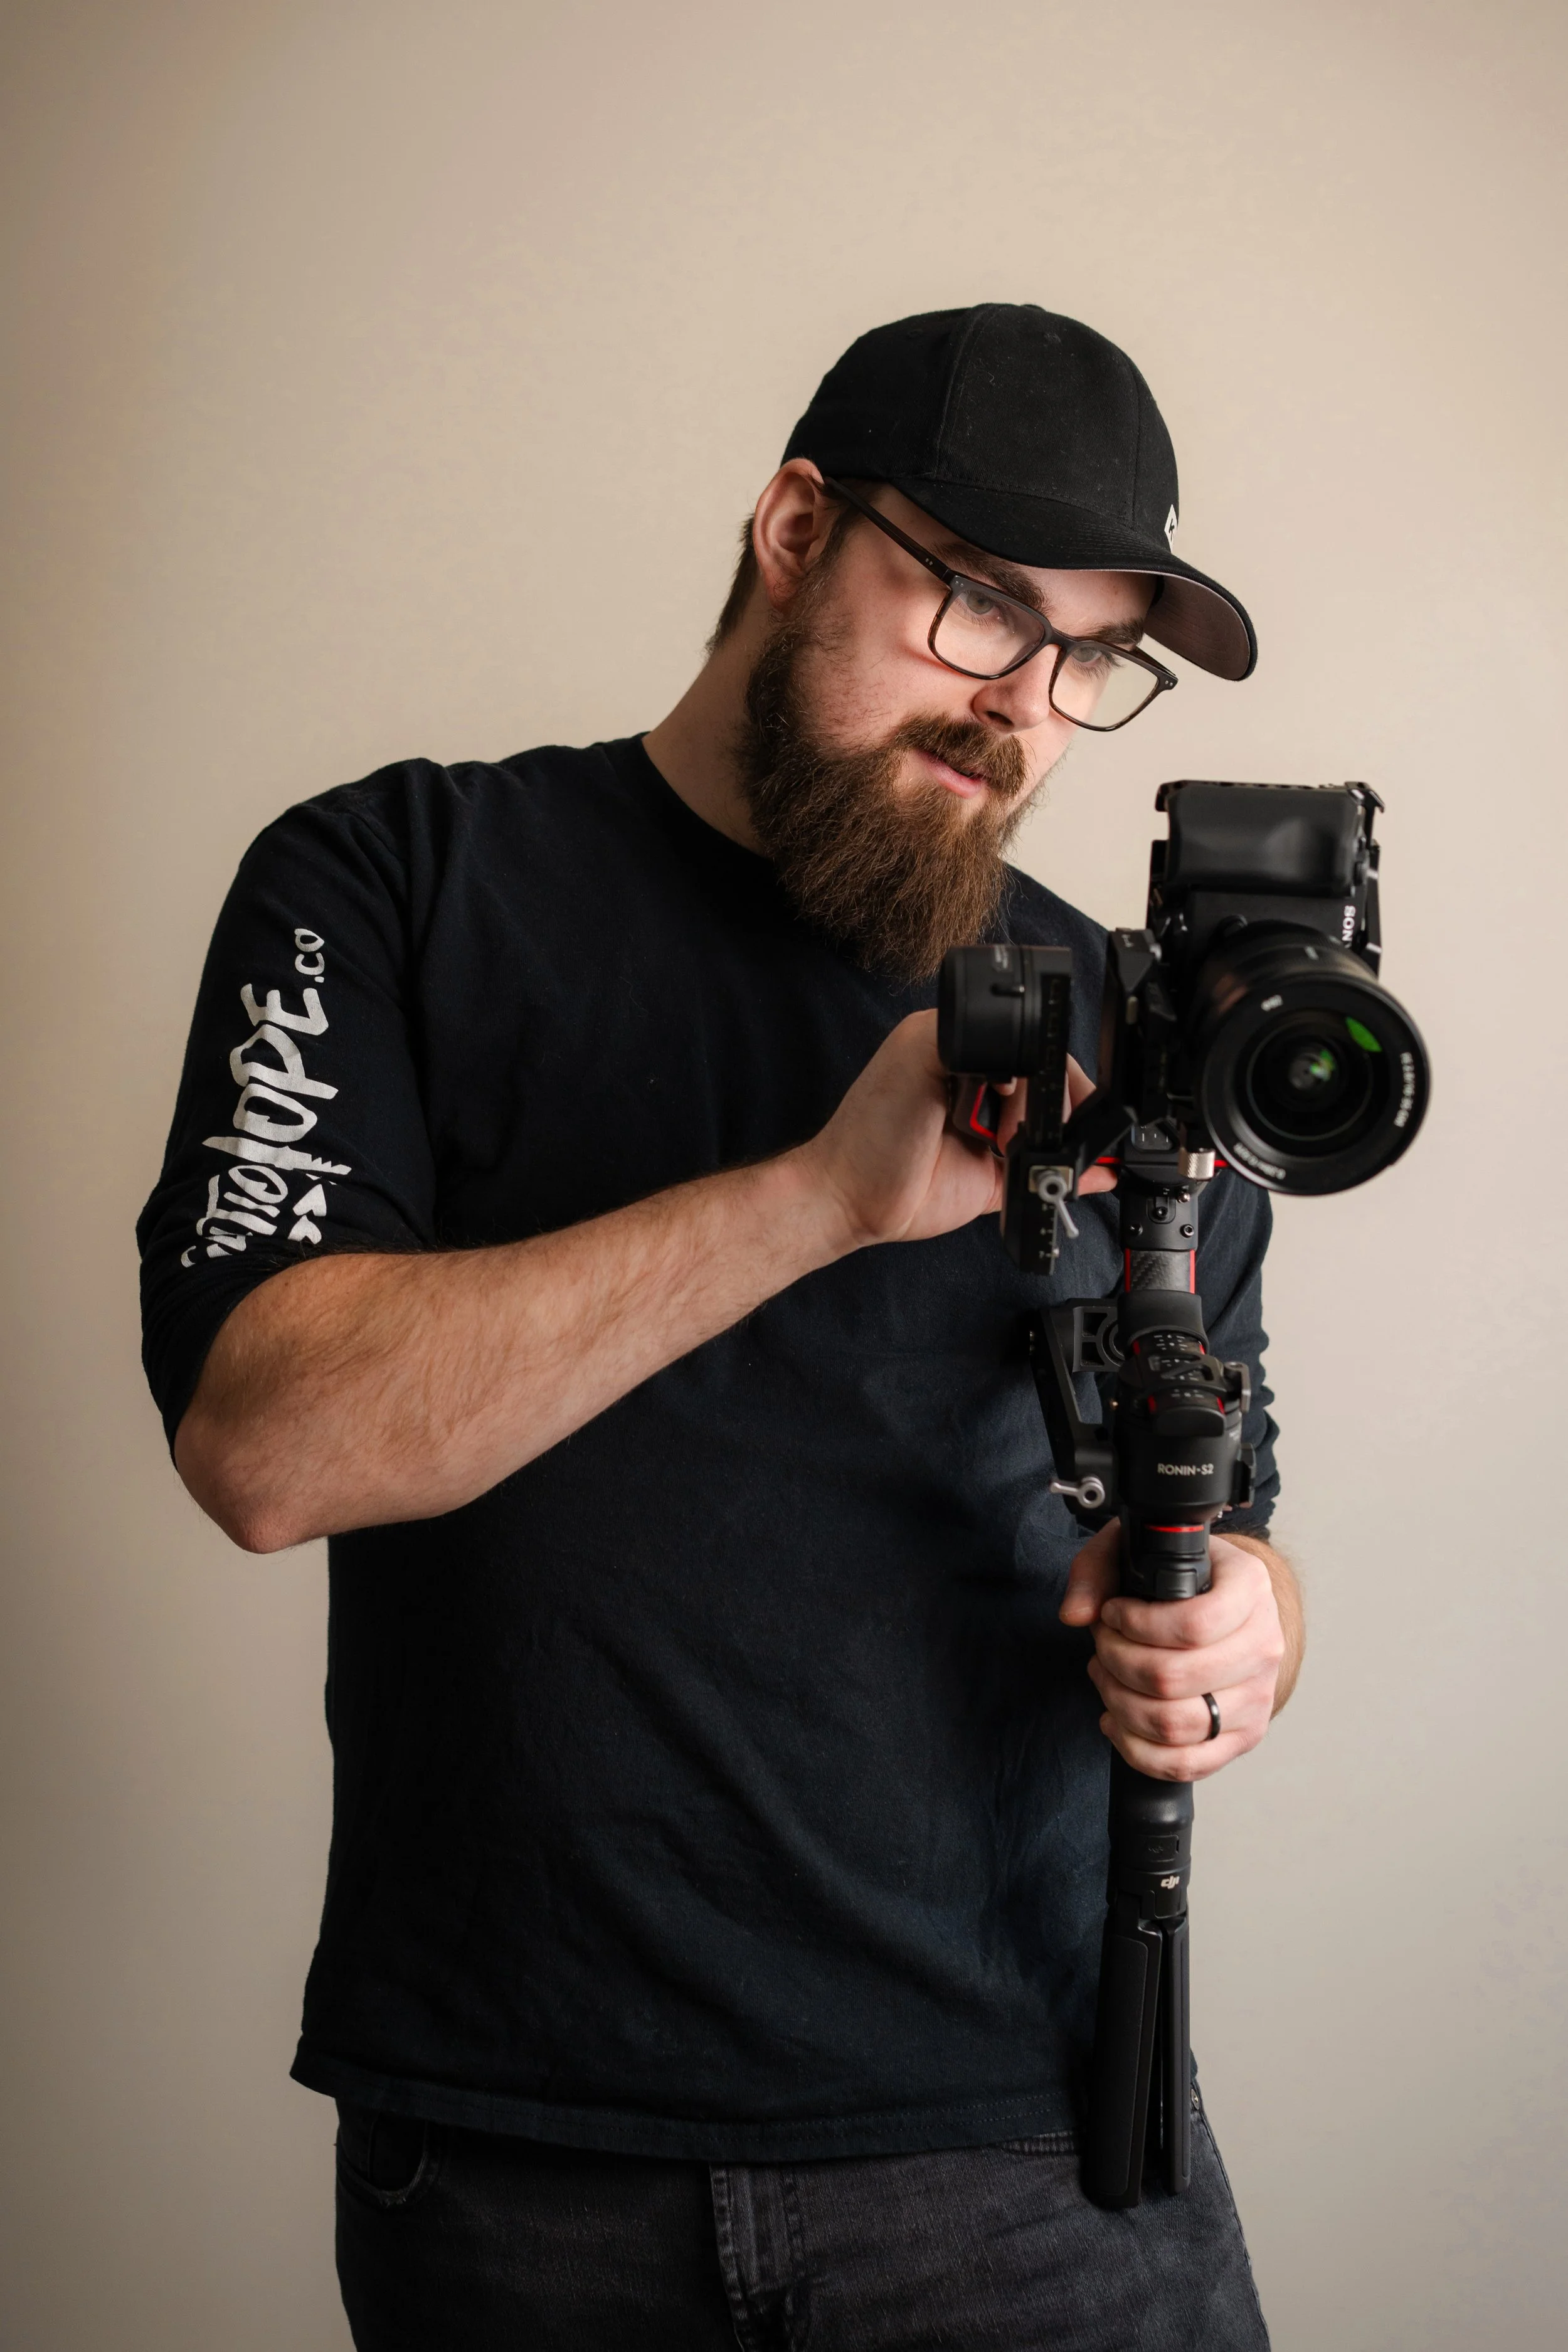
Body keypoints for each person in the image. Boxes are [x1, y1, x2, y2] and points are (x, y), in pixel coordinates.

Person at [139, 304, 1301, 2351]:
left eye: (1084, 655)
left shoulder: (1127, 1024)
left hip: (1033, 2151)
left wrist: (1238, 1630)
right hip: (524, 2177)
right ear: (788, 528)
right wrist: (811, 1199)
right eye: (970, 605)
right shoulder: (398, 882)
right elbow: (264, 1442)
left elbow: (1224, 1505)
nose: (1020, 706)